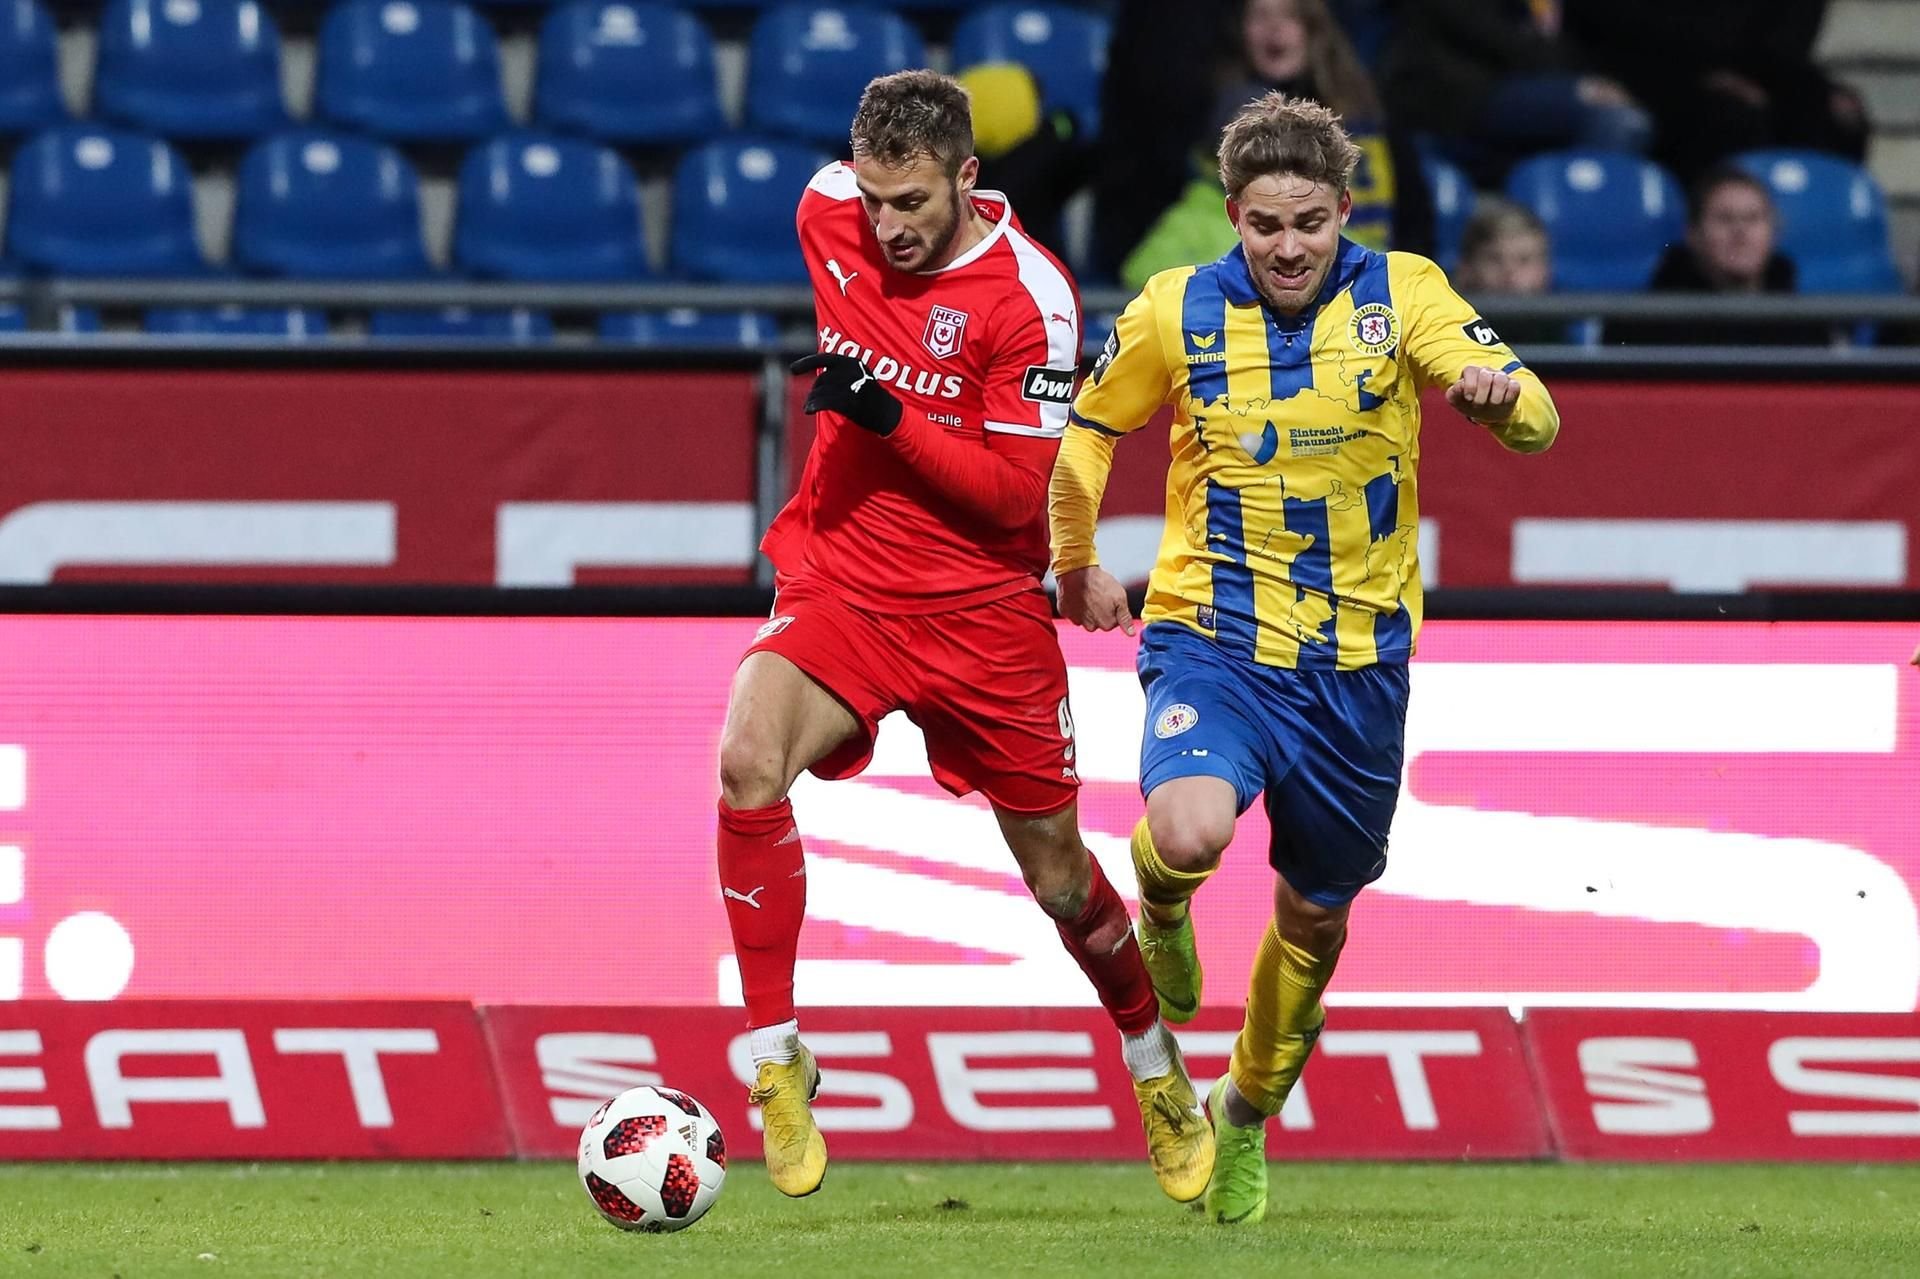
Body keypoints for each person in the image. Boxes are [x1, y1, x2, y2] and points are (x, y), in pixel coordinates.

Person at [1049, 94, 1560, 1225]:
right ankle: (1163, 903)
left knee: (1316, 920)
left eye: (1311, 225)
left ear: (1343, 214)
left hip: (1359, 668)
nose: (1288, 248)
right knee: (1186, 829)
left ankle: (1243, 1110)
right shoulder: (1175, 308)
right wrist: (1076, 557)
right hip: (1212, 639)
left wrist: (1497, 399)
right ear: (1233, 214)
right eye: (1267, 225)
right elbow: (1089, 432)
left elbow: (1540, 418)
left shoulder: (1406, 293)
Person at [715, 70, 1213, 1205]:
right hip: (845, 572)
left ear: (968, 179)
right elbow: (847, 215)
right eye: (876, 200)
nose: (886, 227)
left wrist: (885, 414)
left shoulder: (1030, 297)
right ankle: (777, 1060)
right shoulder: (821, 209)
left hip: (984, 607)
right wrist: (873, 430)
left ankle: (1153, 1061)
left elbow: (1006, 501)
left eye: (914, 205)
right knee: (747, 762)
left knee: (1055, 875)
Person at [1122, 0, 1432, 289]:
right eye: (1260, 17)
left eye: (1289, 16)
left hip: (1362, 290)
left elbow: (1413, 219)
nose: (1274, 28)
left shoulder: (1368, 113)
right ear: (1241, 31)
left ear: (1314, 28)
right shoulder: (1219, 115)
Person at [1381, 0, 1650, 184]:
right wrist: (1580, 87)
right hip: (1457, 95)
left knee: (1625, 115)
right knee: (1614, 119)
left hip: (1530, 83)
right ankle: (1583, 226)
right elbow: (1489, 36)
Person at [1611, 164, 1830, 346]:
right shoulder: (1644, 324)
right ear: (1693, 234)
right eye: (1725, 218)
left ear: (1774, 233)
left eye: (1753, 218)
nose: (1740, 231)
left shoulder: (1806, 325)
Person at [1452, 197, 1568, 346]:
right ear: (1466, 268)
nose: (1509, 272)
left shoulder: (1558, 327)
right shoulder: (1445, 327)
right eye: (1494, 259)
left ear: (1545, 269)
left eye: (1524, 260)